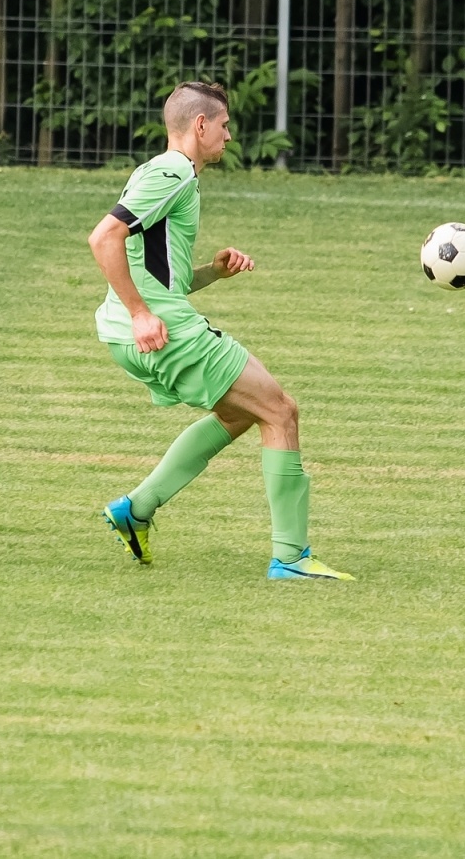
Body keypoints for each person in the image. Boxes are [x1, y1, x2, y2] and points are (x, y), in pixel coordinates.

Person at [88, 81, 353, 581]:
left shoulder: (163, 172)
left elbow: (163, 274)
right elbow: (104, 237)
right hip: (160, 330)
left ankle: (135, 509)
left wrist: (212, 271)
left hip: (132, 332)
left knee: (238, 413)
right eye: (225, 125)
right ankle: (292, 558)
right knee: (280, 411)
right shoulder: (174, 171)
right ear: (201, 125)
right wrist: (141, 313)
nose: (230, 136)